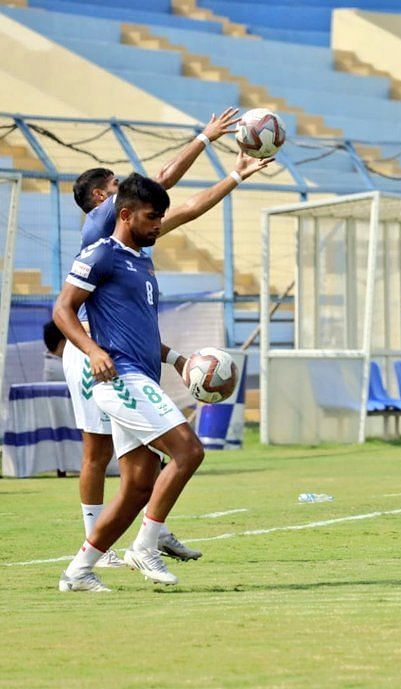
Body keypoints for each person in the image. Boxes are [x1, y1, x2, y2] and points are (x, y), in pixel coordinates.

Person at [63, 109, 266, 567]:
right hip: (96, 350)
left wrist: (233, 174)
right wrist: (204, 138)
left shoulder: (138, 242)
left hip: (127, 351)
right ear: (104, 198)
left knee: (142, 466)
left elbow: (185, 208)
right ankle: (107, 540)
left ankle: (135, 538)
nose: (127, 190)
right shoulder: (102, 227)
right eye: (117, 187)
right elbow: (162, 182)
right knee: (100, 450)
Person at [55, 174, 230, 591]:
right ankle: (147, 544)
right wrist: (93, 352)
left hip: (142, 374)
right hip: (120, 378)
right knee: (188, 451)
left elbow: (140, 329)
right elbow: (62, 310)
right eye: (152, 218)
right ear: (126, 213)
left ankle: (78, 572)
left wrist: (176, 358)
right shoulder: (101, 255)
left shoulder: (141, 260)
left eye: (162, 218)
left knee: (137, 487)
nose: (158, 225)